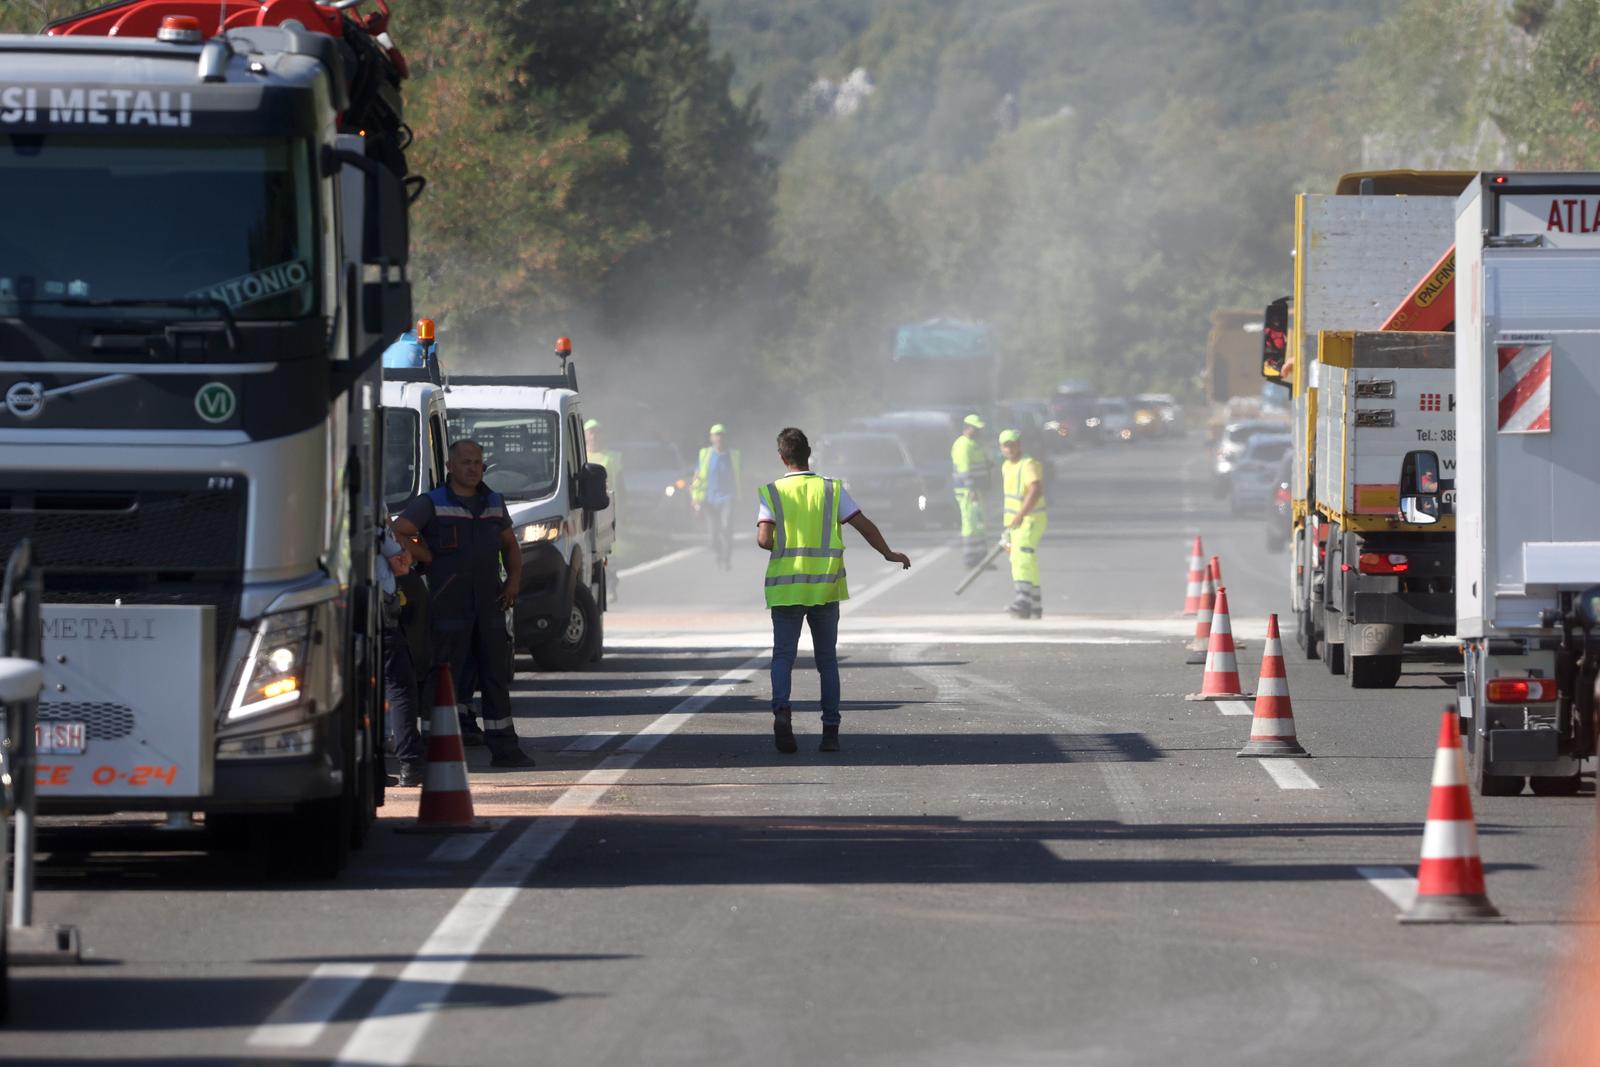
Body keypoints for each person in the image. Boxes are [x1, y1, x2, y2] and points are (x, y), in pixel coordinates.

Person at [756, 427, 911, 753]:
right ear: (808, 454)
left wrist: (783, 544)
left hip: (787, 590)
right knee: (827, 660)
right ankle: (830, 732)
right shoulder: (831, 490)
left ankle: (782, 710)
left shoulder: (772, 492)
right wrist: (888, 553)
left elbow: (764, 539)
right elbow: (864, 525)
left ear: (782, 457)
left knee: (783, 656)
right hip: (825, 588)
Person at [393, 439, 534, 768]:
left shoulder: (494, 502)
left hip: (489, 604)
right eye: (466, 462)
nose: (473, 468)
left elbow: (510, 546)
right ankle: (434, 747)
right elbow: (399, 530)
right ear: (450, 466)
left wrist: (513, 581)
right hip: (448, 605)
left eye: (477, 462)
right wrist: (426, 556)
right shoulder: (432, 502)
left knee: (494, 676)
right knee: (443, 676)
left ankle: (505, 749)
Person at [379, 524, 425, 786]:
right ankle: (411, 763)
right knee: (400, 688)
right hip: (379, 611)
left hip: (335, 610)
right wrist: (404, 552)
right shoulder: (369, 511)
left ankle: (372, 768)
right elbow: (400, 562)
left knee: (359, 692)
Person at [998, 429, 1047, 619]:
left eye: (1013, 444)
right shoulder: (1006, 466)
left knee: (1022, 558)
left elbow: (1035, 490)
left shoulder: (1028, 465)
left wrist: (1020, 515)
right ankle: (1035, 605)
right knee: (1025, 560)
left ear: (1019, 445)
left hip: (1031, 519)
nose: (1010, 449)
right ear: (1001, 448)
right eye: (1006, 445)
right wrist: (1009, 528)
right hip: (1015, 524)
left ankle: (1022, 601)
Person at [691, 423, 742, 570]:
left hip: (727, 498)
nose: (719, 438)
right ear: (711, 438)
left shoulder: (733, 455)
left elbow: (739, 476)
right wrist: (695, 499)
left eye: (722, 435)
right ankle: (719, 553)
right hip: (709, 499)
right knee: (713, 536)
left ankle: (726, 559)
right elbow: (696, 478)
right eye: (716, 435)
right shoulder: (705, 454)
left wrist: (741, 495)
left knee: (726, 528)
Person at [950, 413, 993, 568]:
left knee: (979, 524)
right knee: (970, 524)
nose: (980, 432)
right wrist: (972, 489)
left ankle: (981, 558)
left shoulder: (975, 444)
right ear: (968, 428)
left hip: (976, 490)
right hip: (968, 491)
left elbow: (984, 463)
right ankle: (970, 558)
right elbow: (965, 470)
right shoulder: (963, 445)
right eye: (977, 429)